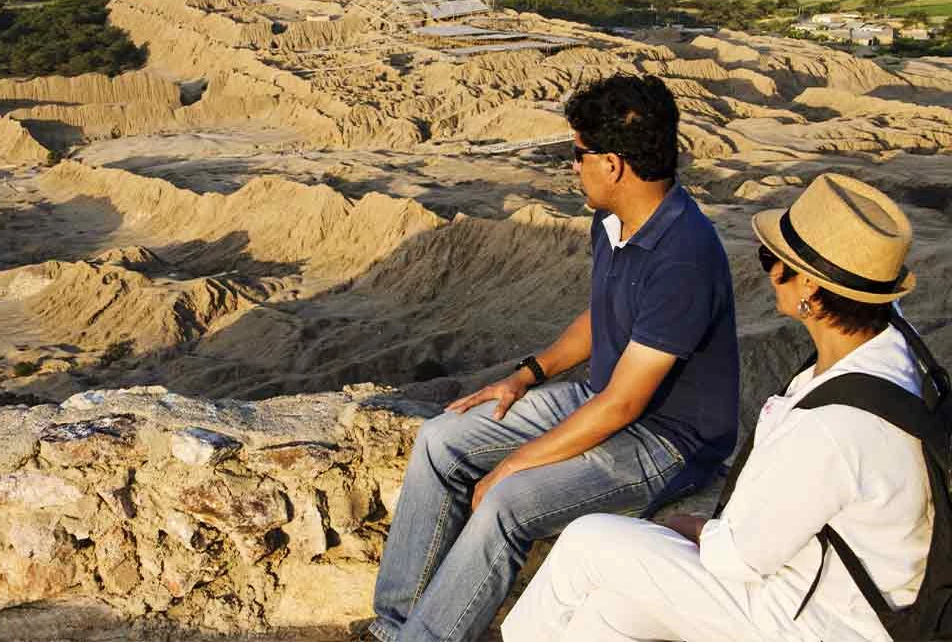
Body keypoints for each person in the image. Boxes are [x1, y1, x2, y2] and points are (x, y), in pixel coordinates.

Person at [368, 74, 740, 642]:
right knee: (440, 440)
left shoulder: (684, 256)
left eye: (578, 154)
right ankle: (394, 626)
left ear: (612, 164)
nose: (573, 166)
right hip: (603, 398)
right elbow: (603, 316)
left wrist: (512, 466)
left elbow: (623, 406)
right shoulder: (614, 220)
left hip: (665, 441)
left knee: (506, 503)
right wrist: (525, 375)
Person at [502, 173, 934, 642]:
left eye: (773, 260)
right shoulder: (894, 351)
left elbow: (740, 558)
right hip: (835, 591)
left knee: (587, 542)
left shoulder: (833, 428)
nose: (769, 272)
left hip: (819, 622)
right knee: (611, 611)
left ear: (809, 286)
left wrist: (693, 527)